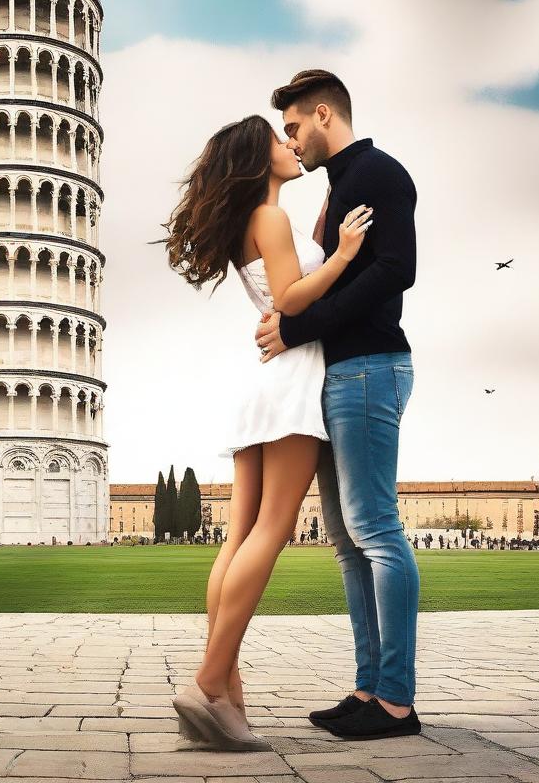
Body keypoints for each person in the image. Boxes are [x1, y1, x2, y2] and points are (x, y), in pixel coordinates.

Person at [159, 111, 373, 751]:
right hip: (290, 381)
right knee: (273, 531)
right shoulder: (271, 217)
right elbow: (292, 299)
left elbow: (279, 292)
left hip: (261, 383)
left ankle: (226, 692)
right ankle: (207, 681)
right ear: (260, 158)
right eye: (279, 138)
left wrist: (318, 257)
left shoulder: (253, 222)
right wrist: (342, 255)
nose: (291, 143)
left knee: (238, 538)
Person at [255, 69, 421, 741]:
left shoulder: (377, 173)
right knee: (350, 543)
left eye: (294, 126)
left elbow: (396, 268)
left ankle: (397, 702)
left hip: (370, 367)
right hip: (344, 372)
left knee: (376, 531)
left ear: (323, 113)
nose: (291, 141)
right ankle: (368, 688)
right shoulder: (340, 186)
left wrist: (299, 328)